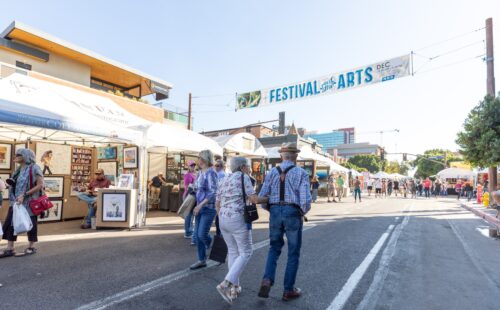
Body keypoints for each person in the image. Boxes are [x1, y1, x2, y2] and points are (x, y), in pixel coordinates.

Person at [257, 142, 311, 301]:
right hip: (292, 212)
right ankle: (288, 290)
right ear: (295, 156)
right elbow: (305, 201)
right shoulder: (301, 173)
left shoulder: (272, 172)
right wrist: (301, 212)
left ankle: (267, 279)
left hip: (274, 211)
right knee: (293, 251)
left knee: (274, 247)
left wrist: (272, 209)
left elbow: (262, 197)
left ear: (281, 156)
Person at [215, 157, 258, 304]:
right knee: (246, 251)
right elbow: (253, 199)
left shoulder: (223, 179)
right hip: (237, 218)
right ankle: (226, 283)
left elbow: (217, 203)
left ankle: (234, 288)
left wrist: (223, 215)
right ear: (242, 167)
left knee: (233, 252)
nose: (249, 168)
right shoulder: (244, 177)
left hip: (223, 219)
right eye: (248, 166)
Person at [1, 149, 44, 258]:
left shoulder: (35, 167)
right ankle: (10, 248)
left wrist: (24, 195)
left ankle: (31, 246)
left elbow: (40, 185)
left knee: (31, 223)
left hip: (28, 201)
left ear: (26, 156)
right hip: (15, 201)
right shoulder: (19, 169)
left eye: (18, 155)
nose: (15, 156)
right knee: (10, 223)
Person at [190, 150, 218, 270]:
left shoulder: (211, 172)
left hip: (208, 208)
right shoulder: (200, 172)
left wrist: (200, 205)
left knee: (202, 235)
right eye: (198, 158)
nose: (199, 160)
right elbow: (198, 188)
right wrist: (193, 188)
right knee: (197, 236)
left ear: (207, 159)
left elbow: (213, 192)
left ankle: (210, 241)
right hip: (199, 207)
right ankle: (202, 260)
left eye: (201, 158)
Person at [183, 160, 197, 243]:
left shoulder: (196, 174)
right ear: (188, 166)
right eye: (191, 165)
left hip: (194, 196)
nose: (193, 167)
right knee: (188, 215)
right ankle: (188, 232)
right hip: (189, 195)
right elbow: (186, 187)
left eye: (194, 165)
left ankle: (190, 230)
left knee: (191, 215)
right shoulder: (187, 175)